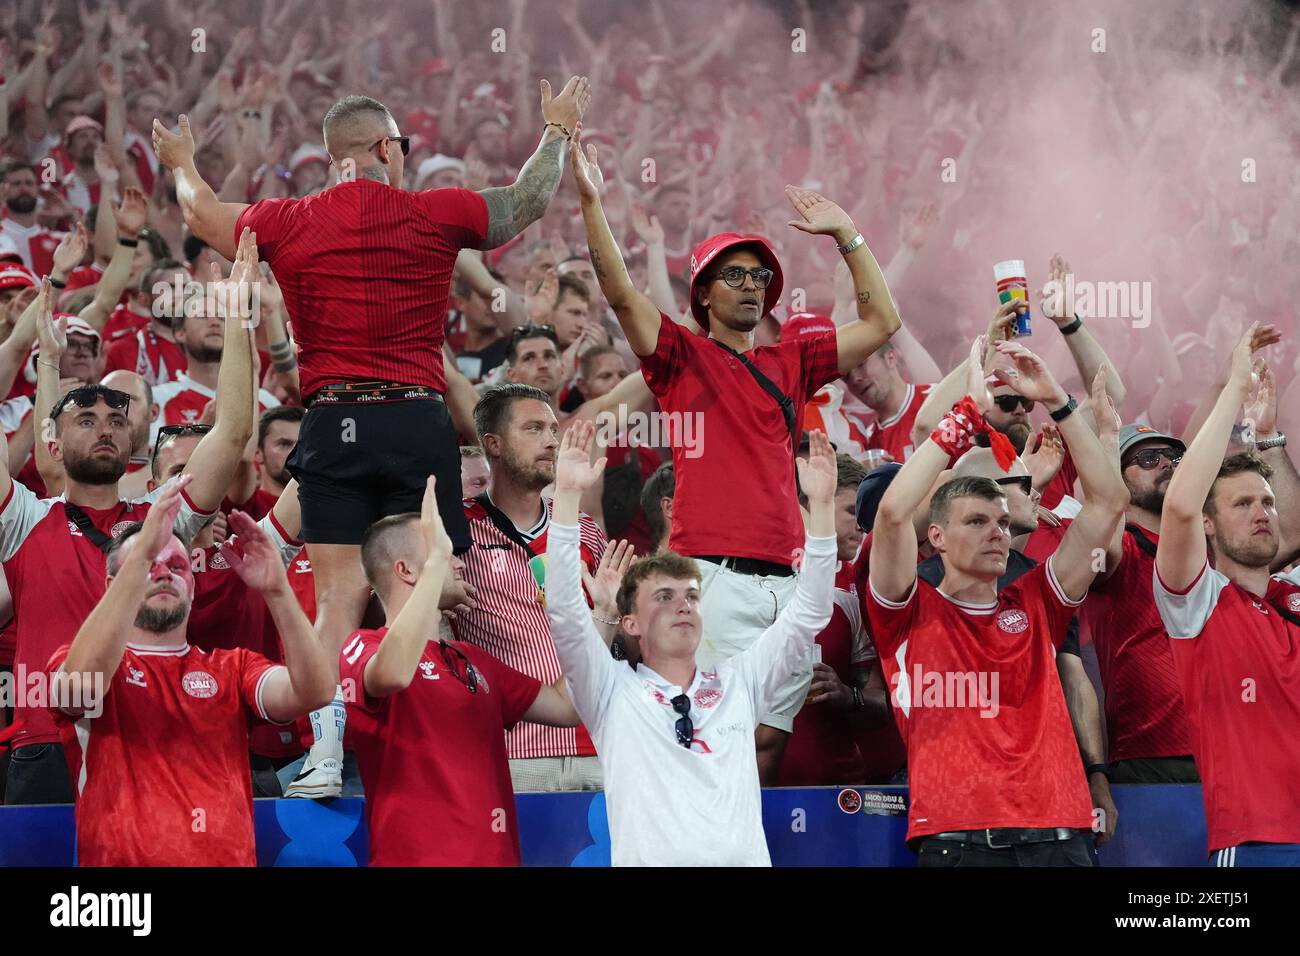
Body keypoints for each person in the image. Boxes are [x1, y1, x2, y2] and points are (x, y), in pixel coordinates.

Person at [154, 78, 590, 795]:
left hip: (334, 422)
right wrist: (556, 131)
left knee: (337, 601)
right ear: (387, 148)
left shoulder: (287, 219)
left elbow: (200, 214)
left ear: (333, 159)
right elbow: (525, 202)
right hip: (417, 423)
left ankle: (326, 750)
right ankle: (434, 747)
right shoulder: (434, 211)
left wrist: (181, 159)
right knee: (425, 595)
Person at [572, 134, 901, 781]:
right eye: (735, 274)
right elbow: (619, 292)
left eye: (759, 276)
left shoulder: (792, 358)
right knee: (719, 740)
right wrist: (592, 203)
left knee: (771, 746)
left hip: (790, 581)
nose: (752, 285)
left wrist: (848, 235)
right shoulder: (679, 356)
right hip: (713, 576)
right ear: (703, 293)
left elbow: (883, 323)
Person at [1, 240, 258, 805]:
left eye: (118, 419)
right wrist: (34, 351)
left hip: (149, 734)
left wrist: (239, 316)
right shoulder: (22, 519)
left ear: (135, 438)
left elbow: (234, 432)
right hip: (45, 737)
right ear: (52, 440)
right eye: (86, 419)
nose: (105, 428)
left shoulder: (163, 515)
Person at [866, 336, 1128, 866]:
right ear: (936, 536)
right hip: (960, 840)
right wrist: (962, 419)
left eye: (1004, 523)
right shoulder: (906, 612)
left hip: (1060, 835)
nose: (996, 533)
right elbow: (893, 514)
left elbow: (1108, 503)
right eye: (977, 521)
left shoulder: (1036, 599)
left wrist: (1058, 399)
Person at [546, 421, 837, 865]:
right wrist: (566, 498)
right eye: (664, 597)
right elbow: (565, 611)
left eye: (692, 597)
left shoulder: (742, 681)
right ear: (631, 622)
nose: (683, 606)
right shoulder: (608, 690)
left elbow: (811, 612)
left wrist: (820, 508)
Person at [47, 475, 333, 866]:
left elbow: (314, 692)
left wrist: (277, 591)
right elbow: (79, 687)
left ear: (193, 587)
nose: (163, 573)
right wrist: (143, 551)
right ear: (114, 583)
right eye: (147, 564)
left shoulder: (233, 667)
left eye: (177, 566)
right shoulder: (80, 659)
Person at [339, 478, 587, 865]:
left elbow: (566, 707)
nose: (457, 560)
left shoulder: (472, 657)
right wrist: (437, 562)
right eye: (443, 552)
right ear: (405, 570)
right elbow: (394, 675)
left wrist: (599, 619)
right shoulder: (361, 647)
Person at [1153, 324, 1300, 866]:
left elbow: (1296, 529)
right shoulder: (1197, 604)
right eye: (1241, 505)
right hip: (1256, 842)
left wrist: (1268, 437)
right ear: (1210, 526)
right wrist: (1234, 388)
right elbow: (1180, 507)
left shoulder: (1291, 596)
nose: (1262, 512)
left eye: (1266, 503)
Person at [451, 384, 611, 792]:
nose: (551, 441)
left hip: (600, 746)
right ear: (494, 444)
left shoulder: (585, 530)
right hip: (511, 749)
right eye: (534, 429)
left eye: (554, 430)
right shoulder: (456, 530)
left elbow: (619, 633)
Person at [843, 341, 933, 462]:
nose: (855, 379)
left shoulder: (938, 398)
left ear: (890, 358)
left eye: (861, 365)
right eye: (846, 376)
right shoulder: (868, 444)